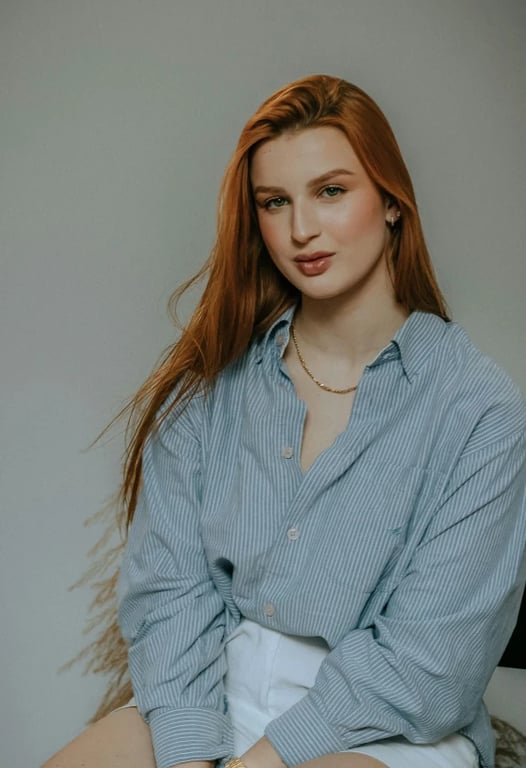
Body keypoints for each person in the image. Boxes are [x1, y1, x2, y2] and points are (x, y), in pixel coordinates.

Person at [43, 74, 526, 768]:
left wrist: (264, 759)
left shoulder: (480, 411)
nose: (301, 229)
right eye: (275, 202)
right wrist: (189, 755)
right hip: (216, 691)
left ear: (392, 202)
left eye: (331, 191)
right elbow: (170, 592)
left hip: (389, 726)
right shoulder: (209, 388)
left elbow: (432, 658)